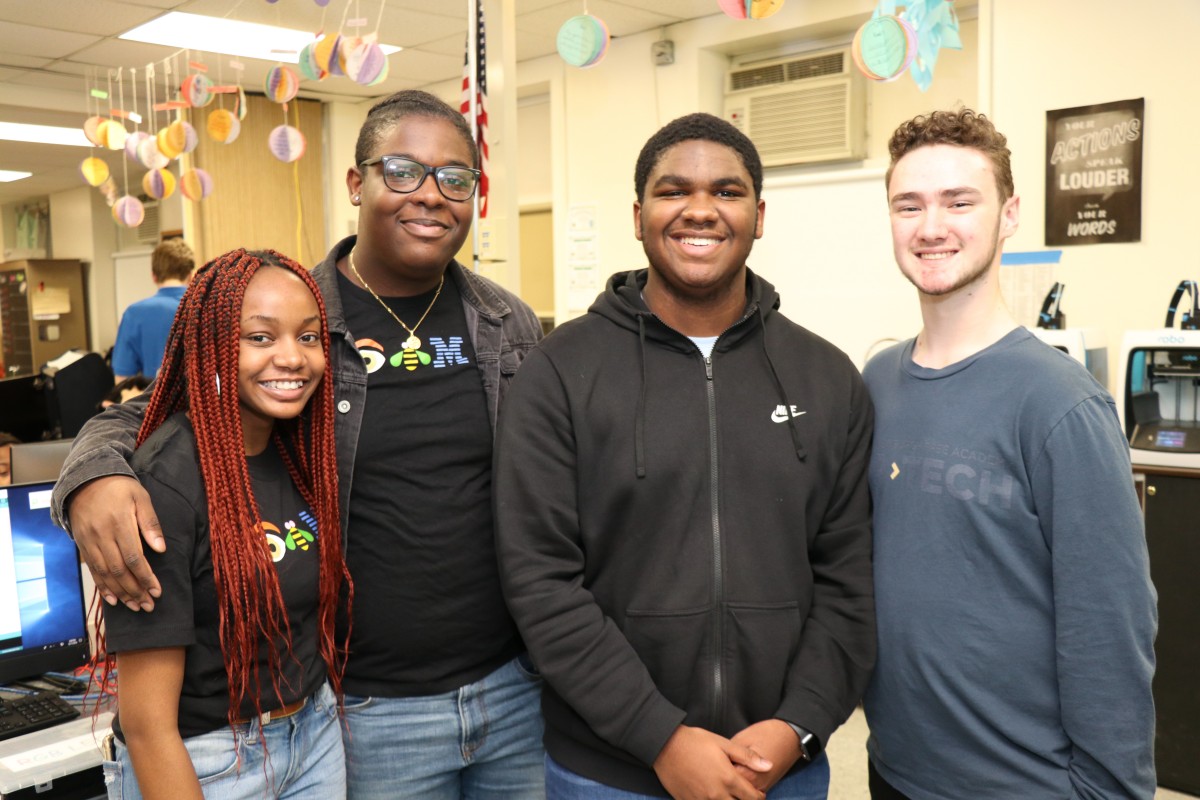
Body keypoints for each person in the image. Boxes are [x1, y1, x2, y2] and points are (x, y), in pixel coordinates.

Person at [52, 90, 545, 800]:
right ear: (357, 183)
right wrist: (93, 471)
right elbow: (165, 406)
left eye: (455, 178)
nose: (431, 195)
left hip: (511, 692)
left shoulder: (506, 321)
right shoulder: (296, 310)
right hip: (370, 709)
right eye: (402, 171)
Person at [494, 112, 875, 800]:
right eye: (674, 191)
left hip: (779, 768)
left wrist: (799, 724)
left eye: (727, 192)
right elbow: (541, 582)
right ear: (638, 216)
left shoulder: (827, 377)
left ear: (759, 216)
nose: (700, 209)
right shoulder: (558, 373)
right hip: (608, 771)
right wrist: (659, 737)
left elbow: (849, 580)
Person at [862, 108, 1157, 800]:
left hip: (1022, 784)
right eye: (910, 205)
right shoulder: (875, 383)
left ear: (1011, 212)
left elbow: (1111, 625)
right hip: (895, 770)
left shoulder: (1060, 404)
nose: (931, 227)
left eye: (959, 202)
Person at [96, 249, 350, 799]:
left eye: (308, 338)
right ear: (211, 346)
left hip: (315, 735)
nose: (293, 358)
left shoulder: (298, 451)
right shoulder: (167, 482)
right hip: (211, 758)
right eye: (260, 337)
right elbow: (147, 725)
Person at [111, 238, 195, 381]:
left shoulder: (134, 314)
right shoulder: (207, 308)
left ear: (153, 277)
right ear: (190, 275)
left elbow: (122, 380)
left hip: (152, 401)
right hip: (204, 402)